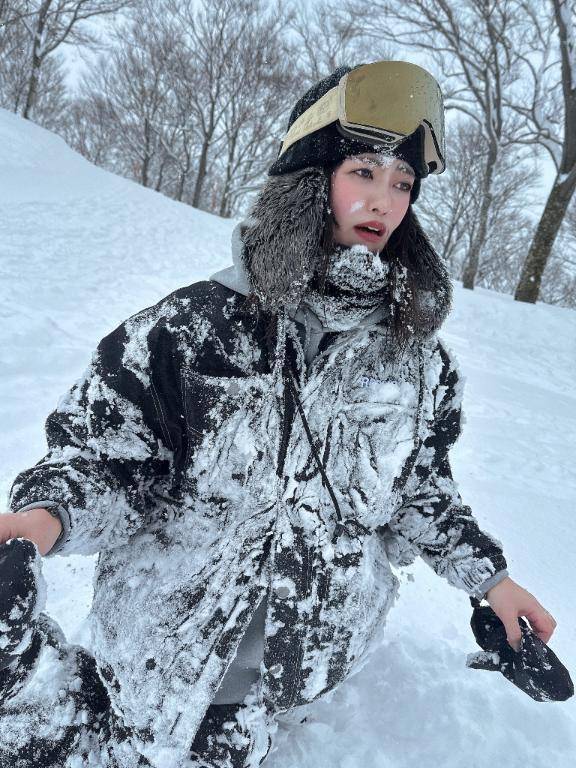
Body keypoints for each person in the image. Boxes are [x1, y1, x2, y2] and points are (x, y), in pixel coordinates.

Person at [0, 61, 557, 768]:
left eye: (403, 183)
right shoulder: (194, 328)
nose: (384, 201)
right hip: (159, 652)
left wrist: (492, 581)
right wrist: (44, 518)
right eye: (363, 171)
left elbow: (417, 488)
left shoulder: (418, 365)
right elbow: (106, 459)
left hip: (293, 671)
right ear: (311, 178)